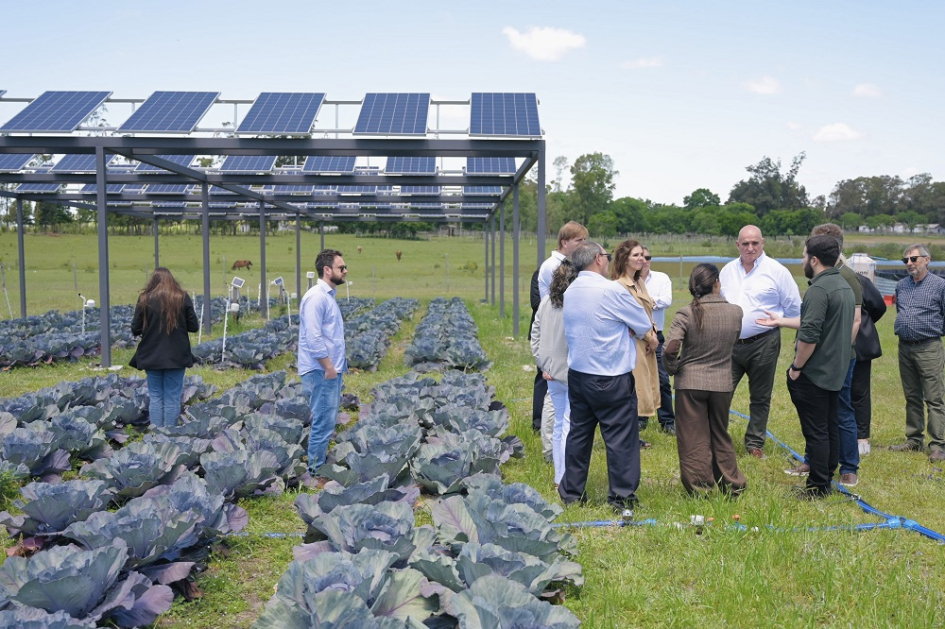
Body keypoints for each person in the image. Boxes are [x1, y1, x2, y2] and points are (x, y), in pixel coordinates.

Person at [559, 241, 654, 511]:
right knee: (621, 438)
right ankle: (622, 497)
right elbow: (643, 323)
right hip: (610, 374)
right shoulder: (610, 290)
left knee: (579, 435)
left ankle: (571, 493)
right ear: (599, 259)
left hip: (579, 373)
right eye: (606, 255)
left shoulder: (571, 289)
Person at [762, 236, 854, 498]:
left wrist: (796, 368)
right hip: (835, 371)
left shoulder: (818, 290)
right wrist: (781, 321)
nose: (802, 261)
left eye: (803, 256)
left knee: (816, 431)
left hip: (815, 373)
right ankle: (827, 474)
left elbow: (810, 335)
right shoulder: (843, 285)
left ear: (814, 259)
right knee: (829, 426)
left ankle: (817, 486)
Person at [663, 264, 746, 496]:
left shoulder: (685, 313)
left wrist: (673, 368)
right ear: (717, 283)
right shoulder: (736, 312)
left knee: (693, 439)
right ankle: (732, 485)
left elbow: (671, 348)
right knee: (720, 433)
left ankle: (701, 489)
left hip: (690, 384)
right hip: (722, 383)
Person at [720, 225, 802, 458]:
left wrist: (782, 323)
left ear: (763, 243)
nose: (750, 247)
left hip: (764, 343)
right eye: (745, 243)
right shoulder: (726, 271)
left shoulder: (777, 272)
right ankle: (717, 438)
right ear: (737, 245)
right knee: (721, 392)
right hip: (731, 343)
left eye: (755, 243)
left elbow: (796, 310)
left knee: (760, 395)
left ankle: (755, 443)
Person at [889, 244, 945, 463]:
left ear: (927, 260)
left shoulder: (940, 285)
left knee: (934, 397)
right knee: (912, 396)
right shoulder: (902, 285)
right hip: (905, 347)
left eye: (914, 259)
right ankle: (914, 439)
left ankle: (939, 444)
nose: (909, 264)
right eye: (906, 260)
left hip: (928, 347)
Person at [129, 267, 200, 429]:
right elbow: (194, 326)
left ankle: (156, 434)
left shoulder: (145, 298)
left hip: (151, 354)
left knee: (155, 396)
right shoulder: (181, 297)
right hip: (177, 355)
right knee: (173, 397)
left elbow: (135, 328)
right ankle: (170, 435)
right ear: (172, 281)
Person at [298, 248, 348, 474]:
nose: (345, 271)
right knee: (323, 420)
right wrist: (328, 366)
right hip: (321, 370)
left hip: (329, 369)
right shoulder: (316, 298)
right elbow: (313, 336)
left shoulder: (326, 296)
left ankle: (317, 464)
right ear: (327, 270)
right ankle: (315, 470)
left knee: (327, 420)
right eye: (341, 268)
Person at [531, 260, 579, 487]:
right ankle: (566, 477)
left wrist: (543, 364)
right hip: (571, 372)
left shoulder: (547, 302)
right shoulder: (576, 304)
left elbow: (536, 333)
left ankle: (559, 475)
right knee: (569, 424)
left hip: (551, 372)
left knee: (560, 423)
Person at [611, 240, 660, 440]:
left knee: (646, 385)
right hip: (632, 345)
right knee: (633, 388)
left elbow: (648, 312)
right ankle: (627, 434)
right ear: (624, 259)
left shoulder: (639, 282)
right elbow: (630, 317)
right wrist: (649, 337)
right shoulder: (619, 286)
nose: (641, 259)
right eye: (636, 255)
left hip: (647, 343)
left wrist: (653, 335)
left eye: (643, 255)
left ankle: (633, 433)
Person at [641, 246, 676, 435]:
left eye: (647, 257)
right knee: (637, 379)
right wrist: (652, 301)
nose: (644, 260)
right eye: (640, 257)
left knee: (662, 379)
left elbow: (666, 301)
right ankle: (640, 417)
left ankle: (668, 421)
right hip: (635, 336)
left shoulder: (661, 278)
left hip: (657, 335)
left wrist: (644, 301)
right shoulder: (627, 280)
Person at [852, 272, 886, 456]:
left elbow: (879, 306)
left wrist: (864, 322)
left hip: (860, 347)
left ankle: (862, 437)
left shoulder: (859, 281)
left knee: (859, 391)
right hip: (833, 347)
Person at [538, 221, 588, 300]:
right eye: (579, 240)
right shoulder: (552, 265)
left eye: (584, 239)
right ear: (564, 243)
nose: (584, 244)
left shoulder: (576, 262)